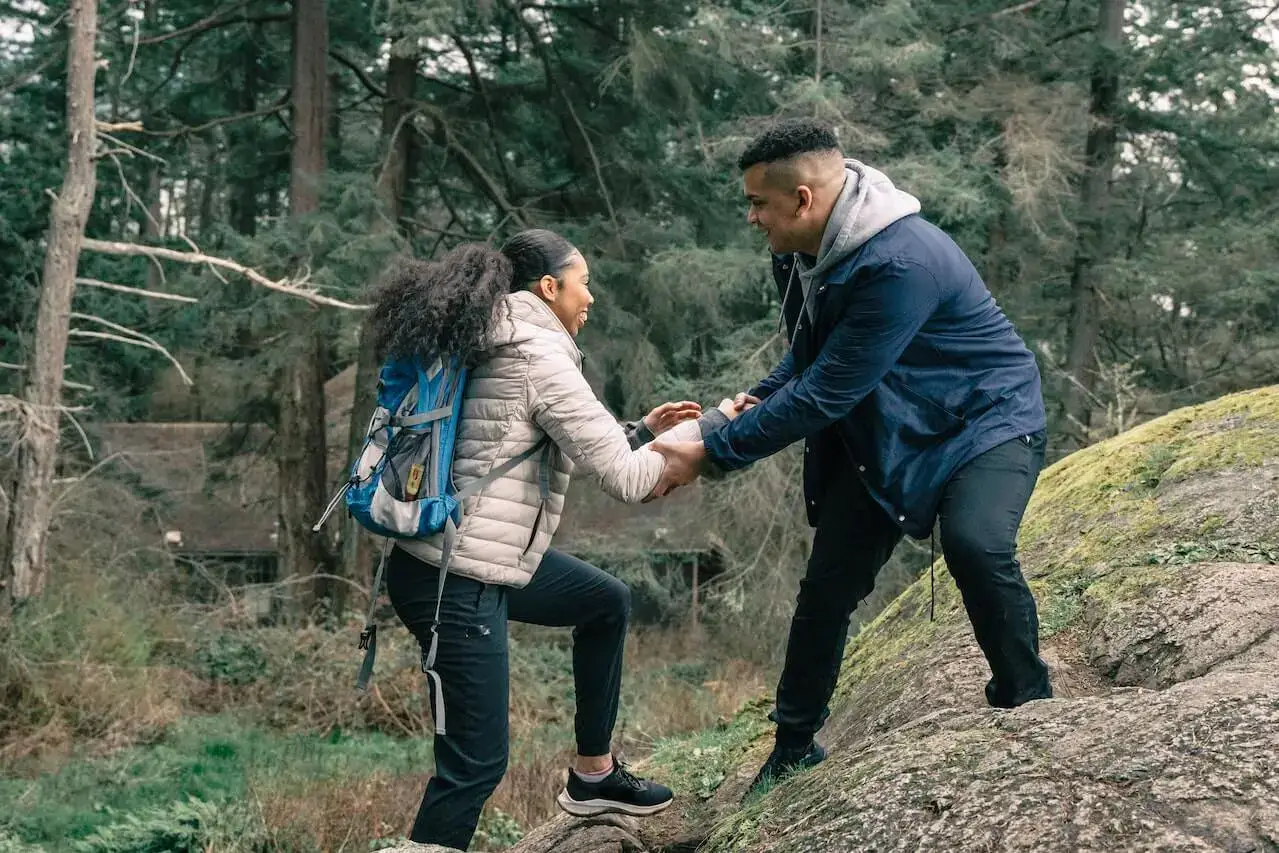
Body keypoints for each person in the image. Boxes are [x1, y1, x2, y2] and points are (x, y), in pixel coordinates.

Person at [649, 118, 1054, 793]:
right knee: (826, 588)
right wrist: (726, 414)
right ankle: (791, 747)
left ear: (803, 199)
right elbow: (809, 362)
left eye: (758, 203)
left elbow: (826, 392)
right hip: (889, 427)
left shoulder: (901, 260)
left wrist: (713, 452)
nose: (752, 218)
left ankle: (1026, 700)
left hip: (984, 422)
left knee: (976, 544)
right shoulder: (799, 253)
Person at [367, 229, 731, 850]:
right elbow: (629, 480)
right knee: (474, 766)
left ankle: (594, 777)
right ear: (549, 288)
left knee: (603, 601)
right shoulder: (539, 354)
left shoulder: (493, 335)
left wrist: (639, 430)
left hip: (469, 559)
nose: (590, 297)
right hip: (455, 581)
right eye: (583, 282)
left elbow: (518, 437)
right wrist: (718, 432)